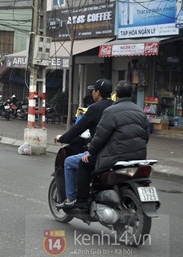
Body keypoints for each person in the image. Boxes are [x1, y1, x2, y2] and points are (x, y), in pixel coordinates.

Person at [77, 80, 149, 207]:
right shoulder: (140, 112)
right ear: (132, 95)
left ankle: (81, 203)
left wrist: (91, 152)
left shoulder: (111, 111)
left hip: (116, 157)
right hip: (138, 158)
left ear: (116, 94)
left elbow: (100, 137)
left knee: (84, 163)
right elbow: (145, 137)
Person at [55, 79, 113, 209]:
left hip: (101, 151)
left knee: (70, 162)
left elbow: (78, 129)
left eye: (93, 90)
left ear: (97, 93)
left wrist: (62, 138)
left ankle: (71, 199)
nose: (92, 93)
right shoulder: (115, 107)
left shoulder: (95, 108)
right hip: (118, 151)